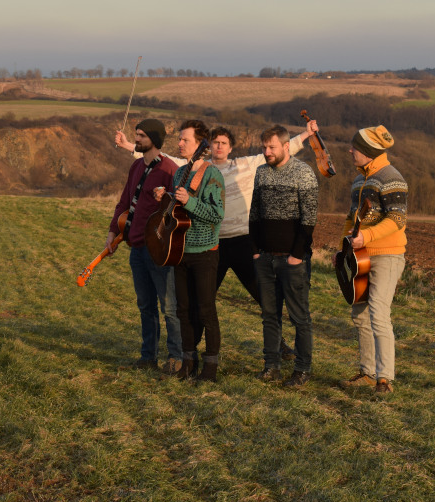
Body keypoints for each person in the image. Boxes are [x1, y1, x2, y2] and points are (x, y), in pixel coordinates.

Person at [118, 121, 318, 359]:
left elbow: (281, 149)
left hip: (242, 243)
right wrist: (130, 145)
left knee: (264, 297)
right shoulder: (194, 167)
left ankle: (280, 344)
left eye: (224, 143)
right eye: (215, 143)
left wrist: (306, 133)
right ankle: (192, 347)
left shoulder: (246, 165)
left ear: (231, 147)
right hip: (212, 245)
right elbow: (162, 157)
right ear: (208, 146)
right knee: (202, 300)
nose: (219, 147)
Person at [106, 118, 181, 373]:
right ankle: (148, 356)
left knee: (169, 306)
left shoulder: (170, 169)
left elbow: (176, 210)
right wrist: (113, 230)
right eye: (136, 135)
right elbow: (124, 201)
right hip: (136, 248)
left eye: (141, 136)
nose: (136, 139)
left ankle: (175, 357)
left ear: (155, 140)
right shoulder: (137, 166)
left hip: (159, 250)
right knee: (145, 305)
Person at [336, 125, 407, 395]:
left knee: (378, 312)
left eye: (355, 147)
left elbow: (397, 219)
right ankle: (367, 373)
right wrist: (343, 248)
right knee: (360, 315)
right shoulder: (358, 180)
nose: (350, 150)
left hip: (387, 255)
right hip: (359, 257)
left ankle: (384, 379)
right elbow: (350, 217)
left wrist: (367, 237)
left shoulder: (391, 177)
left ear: (367, 151)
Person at [153, 120, 225, 382]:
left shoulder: (211, 174)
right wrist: (168, 197)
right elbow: (179, 209)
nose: (180, 143)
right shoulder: (180, 172)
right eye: (180, 139)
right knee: (183, 310)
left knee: (205, 310)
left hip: (205, 252)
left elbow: (217, 215)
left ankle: (210, 367)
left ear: (200, 145)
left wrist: (190, 201)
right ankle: (187, 363)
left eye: (185, 140)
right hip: (179, 250)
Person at [249, 125, 318, 387]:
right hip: (265, 259)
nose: (266, 152)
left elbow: (309, 218)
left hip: (292, 261)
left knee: (299, 317)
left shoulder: (304, 173)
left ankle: (302, 369)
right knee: (269, 315)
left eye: (272, 147)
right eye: (264, 147)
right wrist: (255, 251)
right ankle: (271, 366)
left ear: (286, 146)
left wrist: (296, 256)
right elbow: (254, 214)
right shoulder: (261, 173)